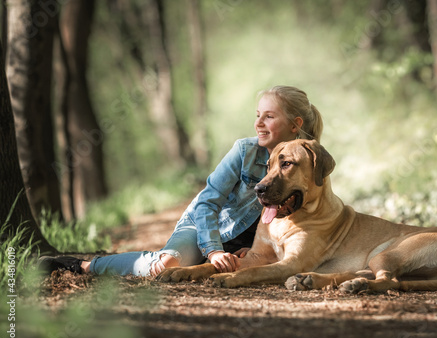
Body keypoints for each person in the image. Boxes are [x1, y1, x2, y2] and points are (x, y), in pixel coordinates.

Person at [40, 85, 324, 277]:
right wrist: (212, 250)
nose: (258, 123)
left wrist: (260, 250)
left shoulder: (309, 161)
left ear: (295, 124)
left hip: (247, 244)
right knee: (167, 266)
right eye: (257, 115)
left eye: (269, 116)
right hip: (207, 227)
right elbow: (207, 204)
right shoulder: (244, 151)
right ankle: (82, 265)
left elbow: (299, 222)